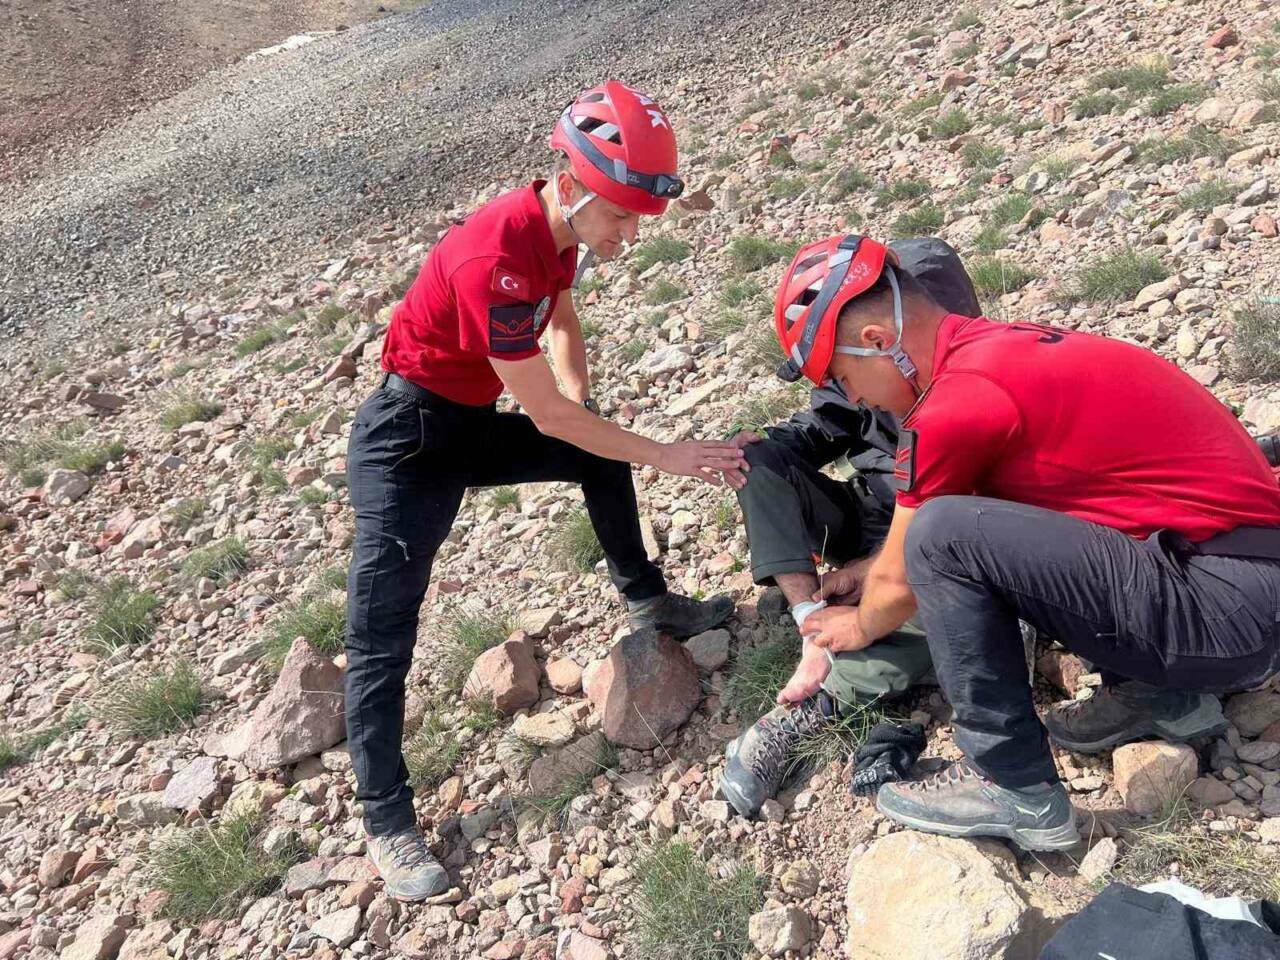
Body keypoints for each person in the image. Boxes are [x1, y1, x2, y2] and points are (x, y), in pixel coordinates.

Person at [344, 81, 747, 899]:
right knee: (381, 633)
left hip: (466, 421)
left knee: (599, 456)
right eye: (623, 217)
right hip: (408, 444)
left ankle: (649, 603)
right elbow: (549, 416)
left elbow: (560, 321)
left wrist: (582, 403)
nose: (630, 236)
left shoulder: (555, 231)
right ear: (572, 184)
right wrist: (662, 452)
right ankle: (387, 821)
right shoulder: (492, 260)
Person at [753, 232, 1280, 851]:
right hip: (1239, 581)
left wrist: (859, 625)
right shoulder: (1002, 351)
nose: (851, 398)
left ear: (876, 341)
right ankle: (1155, 693)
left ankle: (1014, 784)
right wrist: (872, 570)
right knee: (984, 523)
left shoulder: (954, 402)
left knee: (944, 535)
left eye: (842, 378)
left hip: (1223, 610)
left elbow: (907, 571)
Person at [718, 238, 981, 818]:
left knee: (940, 588)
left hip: (937, 536)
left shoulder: (972, 388)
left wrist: (876, 572)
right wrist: (762, 449)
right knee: (758, 464)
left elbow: (972, 522)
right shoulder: (865, 365)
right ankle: (810, 623)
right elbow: (821, 427)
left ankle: (820, 701)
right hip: (867, 517)